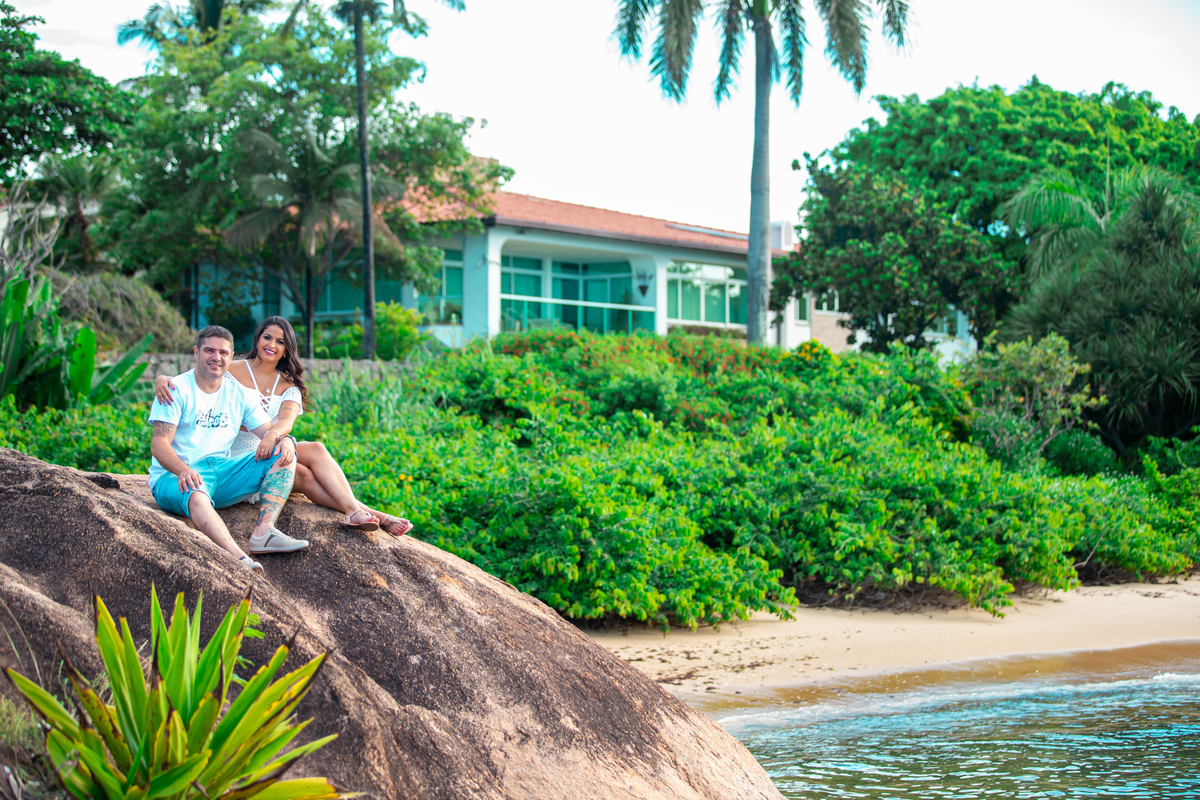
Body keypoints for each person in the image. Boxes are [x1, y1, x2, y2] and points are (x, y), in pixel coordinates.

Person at [155, 316, 414, 537]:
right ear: (257, 339)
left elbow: (286, 423)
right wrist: (162, 379)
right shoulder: (231, 367)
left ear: (287, 349)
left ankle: (356, 511)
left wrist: (274, 436)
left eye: (280, 342)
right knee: (304, 470)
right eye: (267, 337)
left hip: (271, 444)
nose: (272, 345)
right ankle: (375, 515)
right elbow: (196, 376)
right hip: (234, 457)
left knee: (313, 454)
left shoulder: (289, 384)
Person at [149, 325, 310, 574]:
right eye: (209, 351)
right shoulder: (176, 389)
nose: (217, 357)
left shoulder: (239, 394)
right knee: (196, 492)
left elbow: (268, 431)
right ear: (196, 352)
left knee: (284, 452)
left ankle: (264, 532)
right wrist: (182, 470)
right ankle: (239, 559)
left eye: (223, 353)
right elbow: (159, 443)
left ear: (231, 355)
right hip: (174, 478)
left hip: (221, 473)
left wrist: (285, 439)